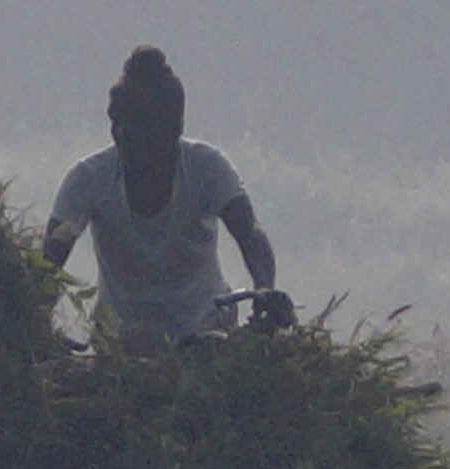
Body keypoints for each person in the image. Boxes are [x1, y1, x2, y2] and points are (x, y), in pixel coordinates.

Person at [40, 45, 283, 347]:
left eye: (141, 125)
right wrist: (36, 322)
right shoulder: (88, 179)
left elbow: (250, 233)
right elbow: (49, 262)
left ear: (174, 128)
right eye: (118, 122)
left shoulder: (207, 168)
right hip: (119, 349)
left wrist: (264, 289)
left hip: (206, 339)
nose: (124, 134)